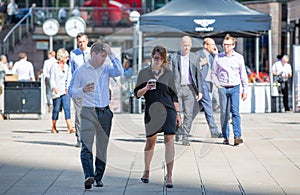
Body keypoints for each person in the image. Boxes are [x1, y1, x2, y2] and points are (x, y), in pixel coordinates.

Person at [68, 42, 122, 190]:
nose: (104, 59)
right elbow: (71, 91)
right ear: (93, 54)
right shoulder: (81, 71)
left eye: (105, 56)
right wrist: (82, 90)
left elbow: (119, 72)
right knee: (86, 147)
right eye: (102, 56)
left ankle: (98, 177)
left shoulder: (106, 69)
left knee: (101, 148)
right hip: (88, 111)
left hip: (104, 112)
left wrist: (111, 54)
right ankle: (88, 176)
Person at [134, 45, 181, 188]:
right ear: (152, 57)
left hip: (169, 110)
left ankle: (169, 176)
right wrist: (146, 88)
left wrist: (178, 113)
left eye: (160, 59)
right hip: (152, 111)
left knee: (169, 141)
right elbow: (136, 94)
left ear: (164, 59)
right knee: (150, 142)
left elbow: (174, 96)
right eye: (155, 58)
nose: (157, 60)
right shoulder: (144, 73)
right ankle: (146, 170)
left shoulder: (169, 74)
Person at [211, 34, 248, 146]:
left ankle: (237, 136)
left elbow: (243, 74)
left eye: (228, 45)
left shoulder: (239, 58)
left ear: (233, 45)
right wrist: (218, 86)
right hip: (223, 87)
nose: (226, 47)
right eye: (224, 45)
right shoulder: (218, 57)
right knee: (224, 113)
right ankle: (226, 136)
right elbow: (213, 73)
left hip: (235, 87)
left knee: (235, 112)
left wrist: (245, 90)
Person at [169, 36, 202, 146]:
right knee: (176, 113)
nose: (186, 48)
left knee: (189, 114)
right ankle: (179, 129)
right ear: (181, 44)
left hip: (190, 88)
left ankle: (185, 136)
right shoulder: (173, 57)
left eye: (188, 46)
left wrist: (200, 91)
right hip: (177, 89)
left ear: (191, 45)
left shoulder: (195, 57)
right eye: (184, 45)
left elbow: (198, 75)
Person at [66, 32, 91, 147]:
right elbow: (70, 71)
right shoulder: (73, 54)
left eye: (83, 42)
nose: (81, 44)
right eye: (79, 42)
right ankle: (80, 138)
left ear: (87, 41)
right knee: (80, 114)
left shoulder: (93, 53)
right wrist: (68, 86)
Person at [196, 38, 222, 138]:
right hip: (201, 84)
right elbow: (194, 69)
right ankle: (214, 131)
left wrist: (216, 55)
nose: (214, 47)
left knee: (194, 110)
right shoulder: (199, 55)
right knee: (208, 107)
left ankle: (181, 128)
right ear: (205, 45)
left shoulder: (212, 56)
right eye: (212, 44)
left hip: (208, 84)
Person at [50, 48, 74, 134]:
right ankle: (53, 127)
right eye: (66, 57)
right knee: (56, 109)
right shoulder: (54, 66)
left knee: (67, 108)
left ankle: (70, 127)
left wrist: (68, 88)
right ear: (62, 57)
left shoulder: (67, 67)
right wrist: (54, 87)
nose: (68, 58)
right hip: (57, 91)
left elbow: (68, 78)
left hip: (65, 91)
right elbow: (52, 79)